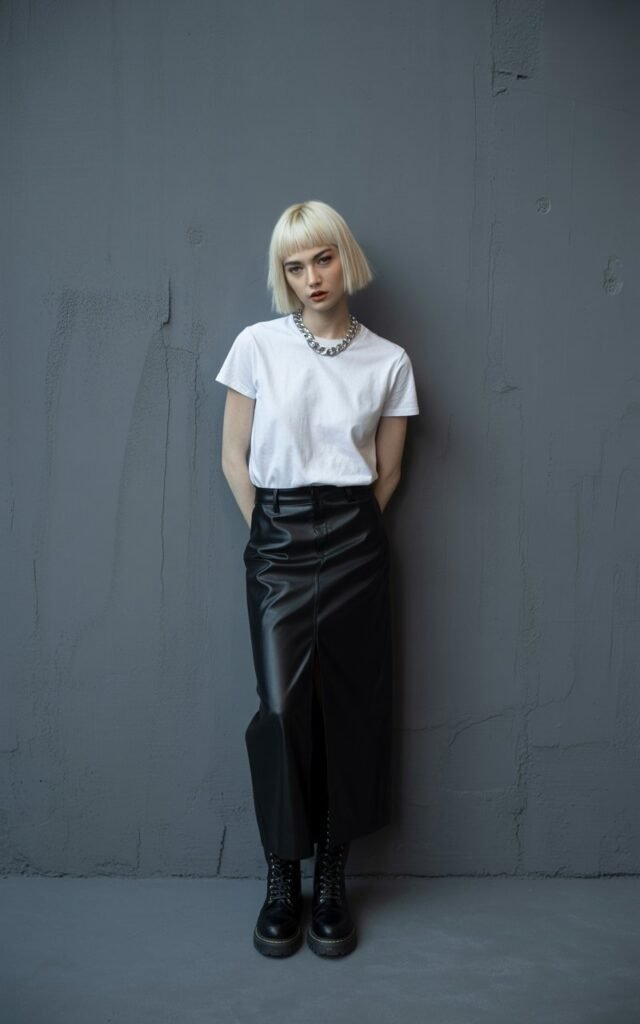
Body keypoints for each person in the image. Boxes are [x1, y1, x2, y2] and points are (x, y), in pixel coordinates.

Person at [215, 200, 419, 958]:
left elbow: (389, 471)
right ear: (284, 274)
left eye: (322, 259)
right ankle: (281, 876)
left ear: (345, 257)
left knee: (350, 710)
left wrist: (349, 532)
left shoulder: (389, 359)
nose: (311, 278)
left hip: (356, 539)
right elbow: (235, 457)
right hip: (278, 536)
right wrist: (268, 534)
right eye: (294, 266)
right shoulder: (258, 345)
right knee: (280, 709)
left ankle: (331, 878)